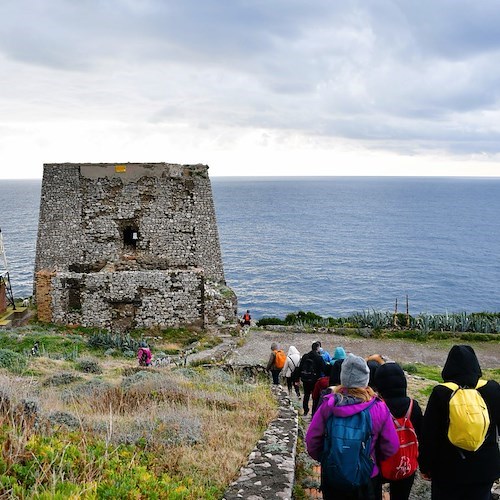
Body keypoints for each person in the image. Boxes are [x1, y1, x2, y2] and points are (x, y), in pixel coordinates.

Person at [306, 354, 399, 499]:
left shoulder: (329, 404)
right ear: (366, 379)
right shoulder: (379, 407)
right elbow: (391, 445)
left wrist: (326, 457)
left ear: (343, 377)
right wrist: (372, 459)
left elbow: (312, 440)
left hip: (333, 475)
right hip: (367, 476)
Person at [419, 345, 500, 500]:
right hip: (484, 469)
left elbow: (429, 435)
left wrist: (425, 465)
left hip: (448, 470)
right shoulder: (492, 389)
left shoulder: (441, 392)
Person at [374, 362, 423, 500]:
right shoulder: (414, 406)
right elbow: (422, 436)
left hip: (380, 463)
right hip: (406, 463)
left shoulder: (377, 406)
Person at [298, 342, 327, 416]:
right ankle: (313, 413)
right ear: (318, 348)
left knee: (306, 394)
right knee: (315, 396)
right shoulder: (319, 358)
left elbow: (300, 367)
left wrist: (298, 377)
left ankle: (305, 410)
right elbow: (324, 369)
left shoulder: (305, 356)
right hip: (315, 380)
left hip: (305, 378)